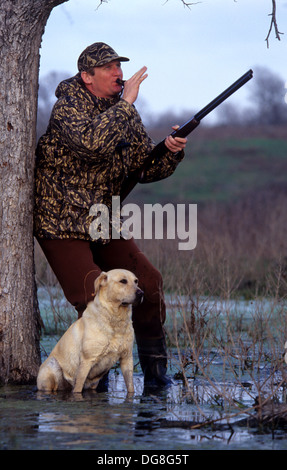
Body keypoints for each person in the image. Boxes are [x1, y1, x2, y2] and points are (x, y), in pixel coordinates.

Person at [34, 42, 187, 389]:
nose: (118, 73)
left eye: (118, 66)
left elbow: (143, 168)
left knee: (147, 282)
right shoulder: (68, 107)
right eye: (108, 68)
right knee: (93, 291)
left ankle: (156, 378)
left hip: (102, 217)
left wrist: (171, 150)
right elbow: (92, 143)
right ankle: (94, 380)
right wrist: (127, 105)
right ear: (87, 77)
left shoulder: (123, 111)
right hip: (60, 220)